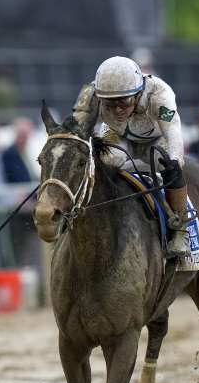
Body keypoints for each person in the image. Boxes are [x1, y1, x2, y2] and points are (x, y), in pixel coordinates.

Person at [82, 56, 192, 259]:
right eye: (110, 104)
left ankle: (180, 229)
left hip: (156, 139)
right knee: (104, 160)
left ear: (139, 92)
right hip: (115, 133)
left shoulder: (160, 94)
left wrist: (175, 161)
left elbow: (173, 133)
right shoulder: (91, 92)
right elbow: (76, 125)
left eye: (123, 102)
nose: (117, 110)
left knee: (168, 163)